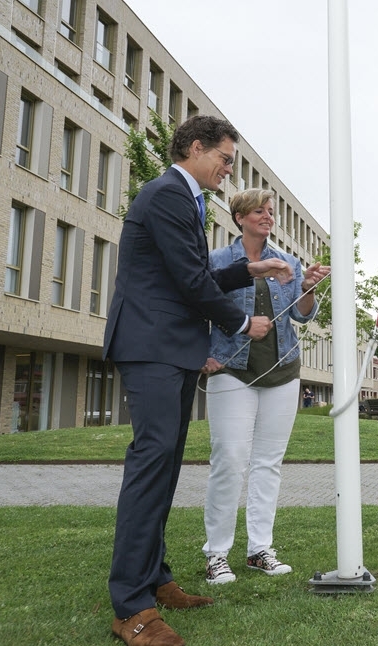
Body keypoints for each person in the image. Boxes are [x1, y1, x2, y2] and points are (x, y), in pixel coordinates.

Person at [103, 115, 293, 646]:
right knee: (151, 466)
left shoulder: (186, 198)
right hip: (152, 346)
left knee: (163, 468)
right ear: (193, 147)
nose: (228, 170)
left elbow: (193, 272)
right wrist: (239, 322)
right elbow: (189, 281)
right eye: (225, 159)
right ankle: (131, 607)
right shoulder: (166, 193)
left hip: (172, 350)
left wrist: (250, 271)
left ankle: (156, 577)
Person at [201, 188, 329, 584]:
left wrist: (307, 287)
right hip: (231, 372)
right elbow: (197, 304)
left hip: (282, 372)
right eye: (259, 210)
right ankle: (216, 554)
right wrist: (200, 353)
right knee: (229, 460)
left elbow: (303, 316)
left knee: (268, 464)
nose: (267, 216)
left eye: (270, 211)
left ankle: (259, 550)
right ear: (239, 217)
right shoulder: (218, 260)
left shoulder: (288, 261)